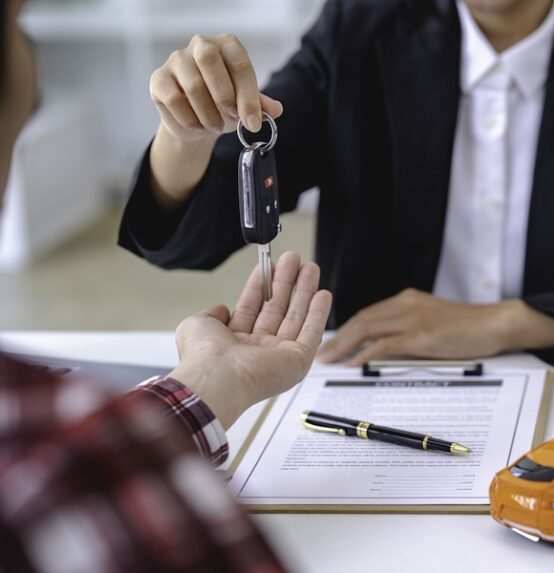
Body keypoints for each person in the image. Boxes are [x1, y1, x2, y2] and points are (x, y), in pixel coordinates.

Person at [119, 0, 554, 371]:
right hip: (374, 381)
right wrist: (185, 136)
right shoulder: (357, 33)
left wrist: (508, 320)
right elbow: (192, 236)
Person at [0, 0, 332, 569]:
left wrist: (206, 384)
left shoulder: (56, 432)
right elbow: (83, 462)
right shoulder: (367, 22)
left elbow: (79, 456)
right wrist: (185, 137)